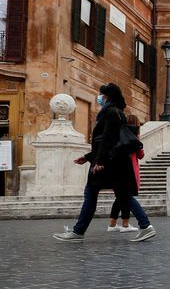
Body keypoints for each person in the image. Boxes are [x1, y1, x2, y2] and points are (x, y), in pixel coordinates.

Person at [54, 83, 157, 243]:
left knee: (91, 193)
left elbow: (108, 139)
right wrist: (89, 157)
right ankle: (145, 226)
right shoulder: (115, 112)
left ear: (107, 96)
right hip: (113, 162)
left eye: (100, 94)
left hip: (108, 163)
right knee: (123, 195)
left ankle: (78, 232)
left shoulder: (111, 112)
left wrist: (98, 161)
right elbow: (106, 141)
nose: (99, 97)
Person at [106, 114, 145, 234]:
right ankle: (125, 224)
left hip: (116, 168)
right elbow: (140, 154)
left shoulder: (118, 134)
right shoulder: (134, 136)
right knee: (127, 196)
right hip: (130, 169)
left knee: (120, 197)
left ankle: (112, 223)